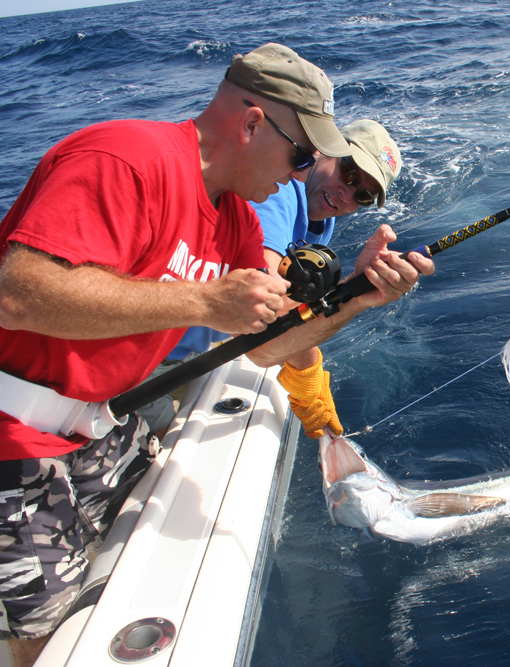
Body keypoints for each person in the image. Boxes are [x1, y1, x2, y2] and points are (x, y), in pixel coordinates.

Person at [0, 43, 424, 667]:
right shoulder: (124, 158)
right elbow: (18, 294)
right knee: (44, 631)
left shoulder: (237, 222)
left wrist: (360, 298)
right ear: (253, 123)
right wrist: (201, 300)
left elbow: (269, 348)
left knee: (117, 562)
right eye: (302, 154)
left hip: (98, 421)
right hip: (15, 441)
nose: (301, 173)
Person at [151, 118, 428, 439]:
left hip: (179, 349)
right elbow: (265, 315)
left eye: (362, 195)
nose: (346, 193)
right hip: (146, 352)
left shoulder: (317, 214)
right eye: (349, 173)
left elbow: (290, 299)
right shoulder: (279, 192)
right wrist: (309, 377)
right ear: (326, 149)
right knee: (162, 444)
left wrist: (354, 285)